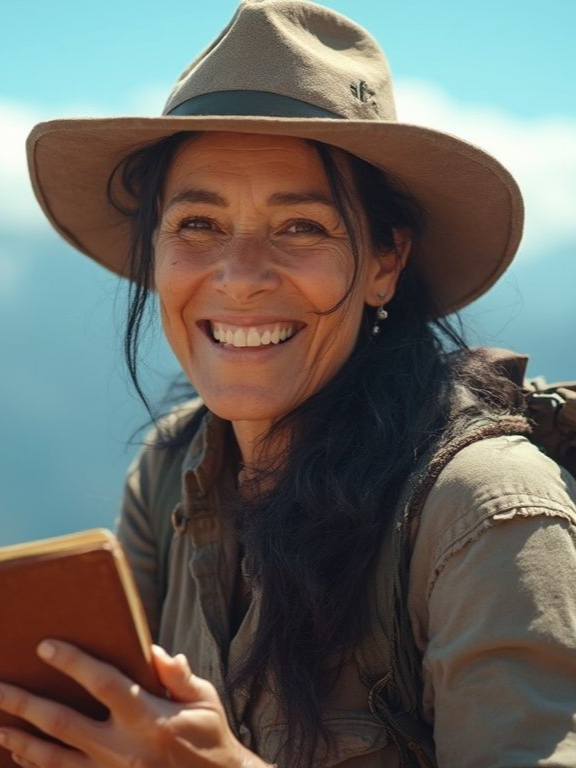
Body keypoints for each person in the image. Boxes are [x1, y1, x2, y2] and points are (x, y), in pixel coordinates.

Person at [1, 1, 576, 766]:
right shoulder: (173, 474)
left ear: (383, 263)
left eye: (300, 227)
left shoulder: (482, 513)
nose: (238, 280)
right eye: (197, 225)